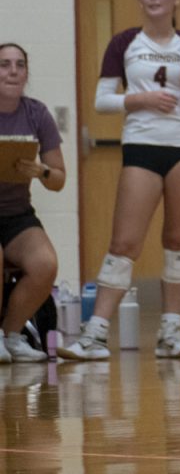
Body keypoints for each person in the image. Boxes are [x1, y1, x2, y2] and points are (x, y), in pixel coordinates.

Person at [61, 0, 180, 361]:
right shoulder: (124, 43)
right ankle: (96, 335)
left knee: (178, 240)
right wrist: (138, 101)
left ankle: (171, 331)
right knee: (124, 242)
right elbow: (101, 101)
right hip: (141, 145)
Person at [0, 43, 63, 364]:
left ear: (26, 73)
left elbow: (59, 179)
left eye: (19, 65)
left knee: (45, 264)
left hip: (16, 214)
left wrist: (41, 170)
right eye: (4, 64)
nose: (12, 71)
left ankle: (10, 335)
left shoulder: (37, 114)